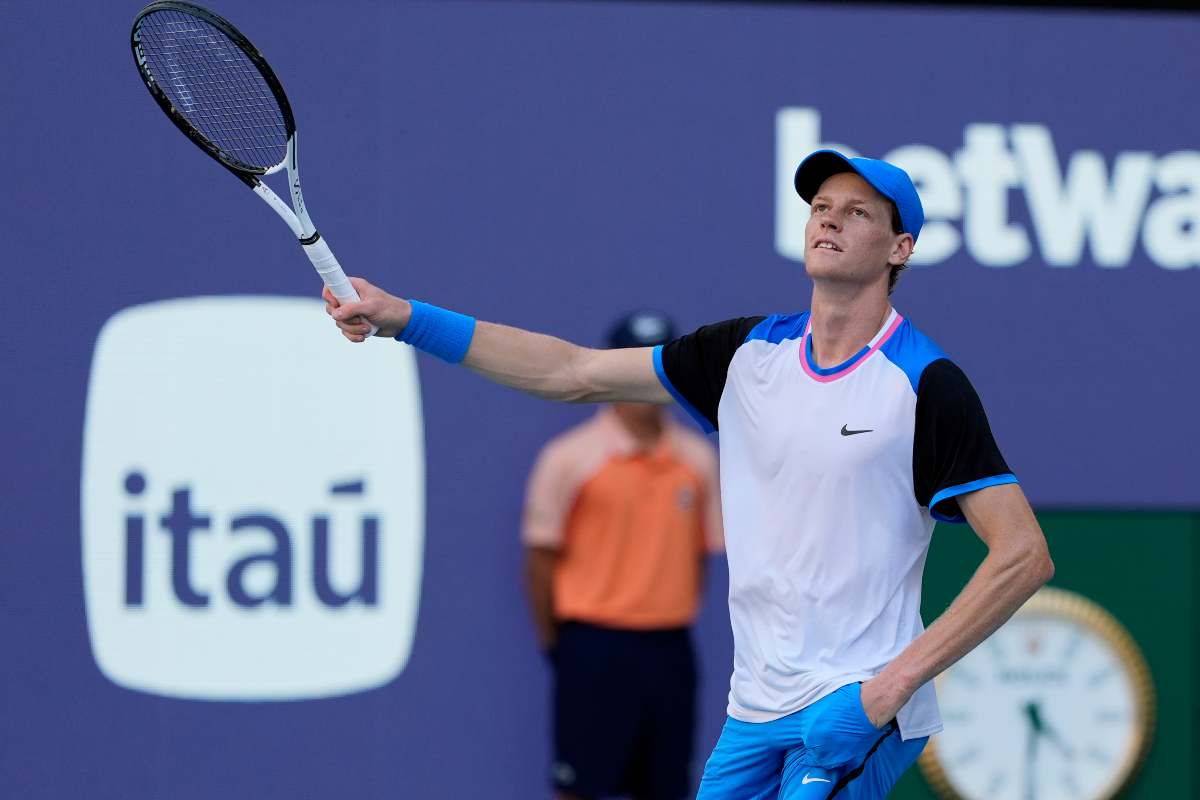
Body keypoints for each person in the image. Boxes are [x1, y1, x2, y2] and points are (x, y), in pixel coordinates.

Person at [323, 149, 1054, 799]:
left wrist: (884, 691)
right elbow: (570, 372)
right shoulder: (742, 356)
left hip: (857, 708)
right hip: (753, 711)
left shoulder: (926, 384)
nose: (829, 221)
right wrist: (405, 319)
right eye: (821, 208)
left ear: (900, 247)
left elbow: (1022, 555)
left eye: (856, 213)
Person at [522, 310, 724, 800]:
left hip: (669, 650)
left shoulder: (697, 460)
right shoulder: (570, 459)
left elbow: (700, 555)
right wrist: (565, 645)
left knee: (667, 786)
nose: (646, 378)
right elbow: (540, 561)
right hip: (593, 647)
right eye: (633, 362)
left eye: (659, 363)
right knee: (582, 786)